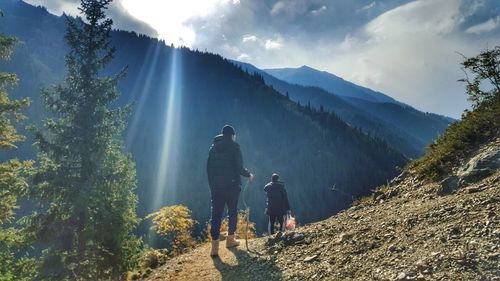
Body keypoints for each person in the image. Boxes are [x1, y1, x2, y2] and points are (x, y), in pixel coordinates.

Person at [207, 125, 253, 257]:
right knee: (232, 212)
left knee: (216, 215)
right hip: (232, 187)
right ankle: (230, 240)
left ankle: (214, 248)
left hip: (216, 188)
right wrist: (249, 174)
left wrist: (212, 186)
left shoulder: (212, 149)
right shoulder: (234, 147)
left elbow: (208, 170)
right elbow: (239, 167)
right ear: (232, 135)